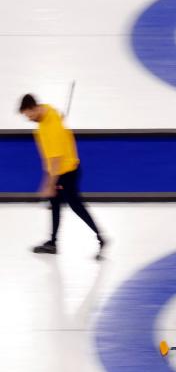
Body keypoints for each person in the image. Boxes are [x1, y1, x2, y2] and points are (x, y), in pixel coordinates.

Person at [19, 94, 106, 259]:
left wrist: (49, 184)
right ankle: (52, 243)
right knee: (56, 204)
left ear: (34, 108)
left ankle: (101, 237)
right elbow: (54, 114)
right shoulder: (48, 112)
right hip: (65, 169)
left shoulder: (50, 127)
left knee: (75, 206)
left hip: (66, 172)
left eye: (30, 116)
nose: (30, 119)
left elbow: (56, 160)